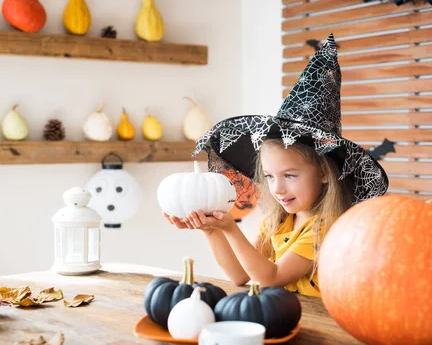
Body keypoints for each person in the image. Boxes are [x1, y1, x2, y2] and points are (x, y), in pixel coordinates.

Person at [163, 34, 389, 297]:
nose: (277, 188)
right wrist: (212, 230)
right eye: (269, 176)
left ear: (325, 173)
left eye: (290, 175)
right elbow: (240, 276)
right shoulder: (280, 220)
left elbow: (272, 278)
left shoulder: (326, 227)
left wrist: (230, 228)